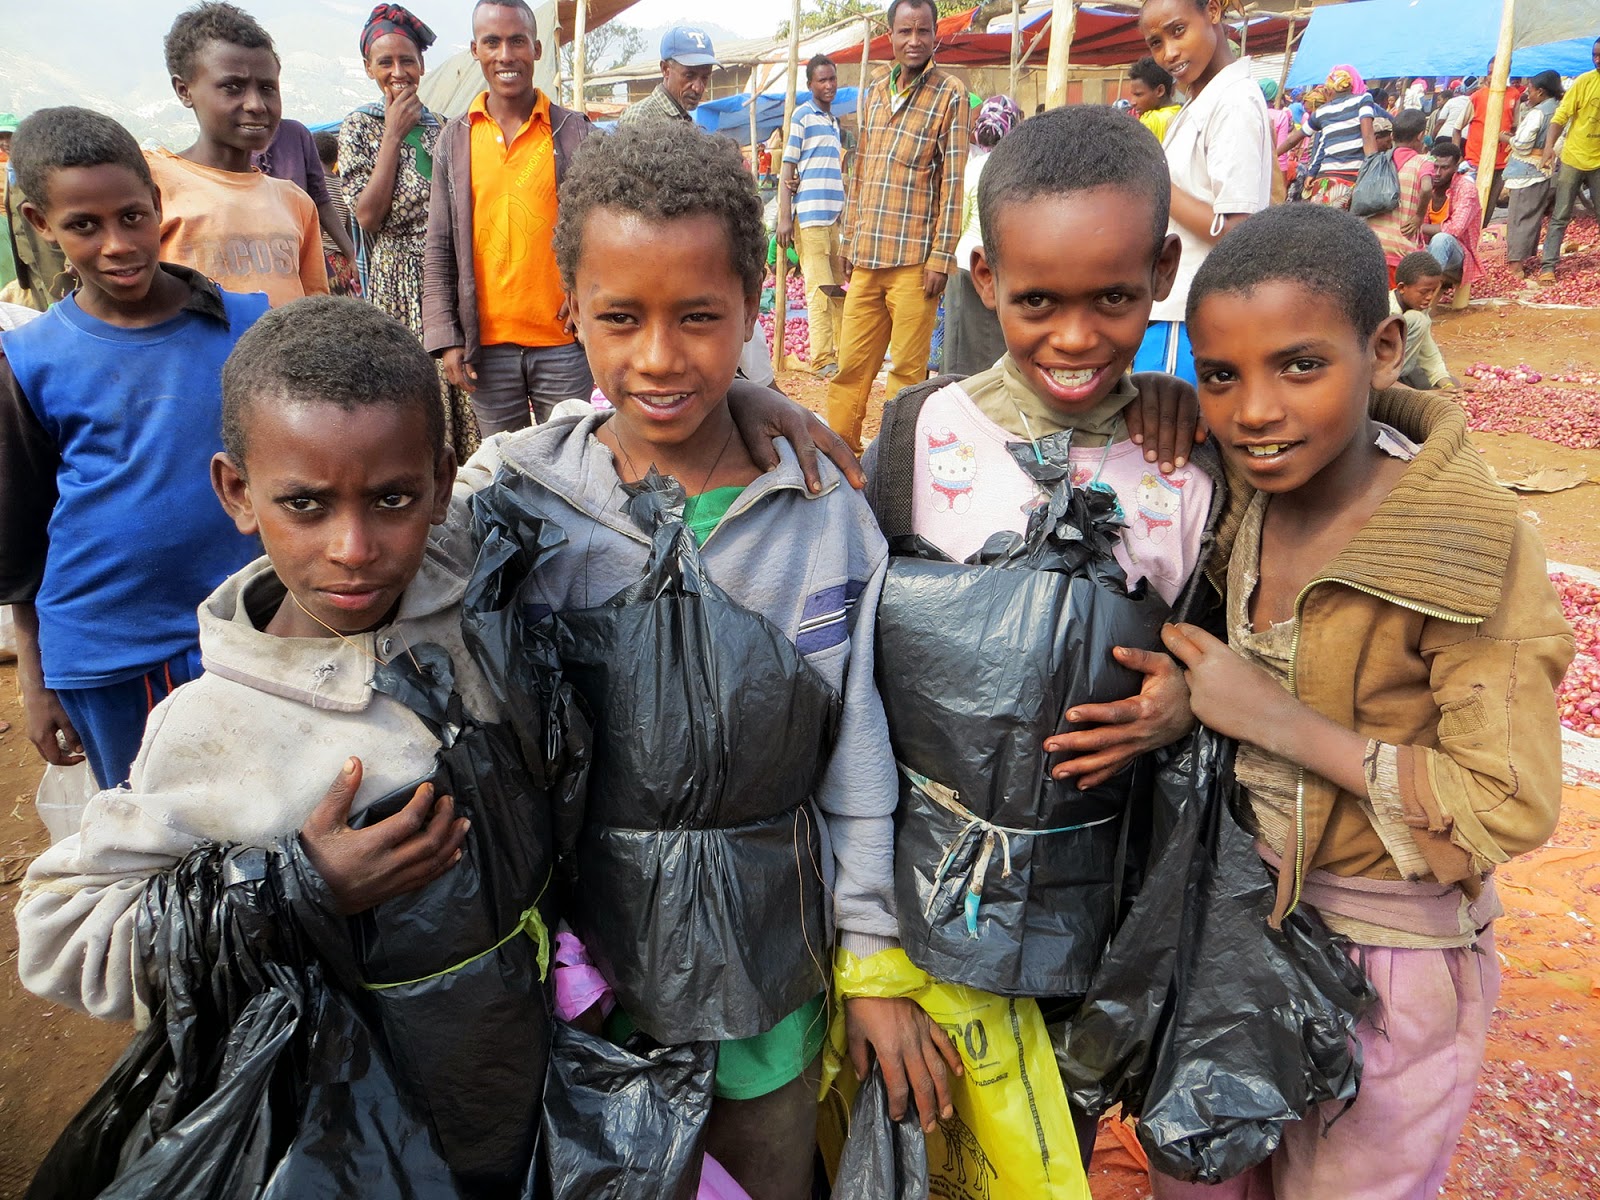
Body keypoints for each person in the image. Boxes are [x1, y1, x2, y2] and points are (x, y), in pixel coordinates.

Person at [461, 119, 952, 1200]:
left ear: (753, 307)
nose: (658, 356)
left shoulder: (820, 514)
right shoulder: (518, 496)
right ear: (570, 311)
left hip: (767, 979)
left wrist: (871, 954)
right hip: (584, 981)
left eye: (698, 317)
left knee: (766, 1170)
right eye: (620, 317)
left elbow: (856, 752)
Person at [1159, 201, 1571, 1200]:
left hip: (1389, 955)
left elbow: (1506, 800)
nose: (1255, 410)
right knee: (1196, 1174)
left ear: (1383, 349)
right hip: (1231, 919)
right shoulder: (1244, 492)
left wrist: (1275, 721)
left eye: (1301, 365)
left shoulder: (1462, 538)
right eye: (1221, 376)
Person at [862, 104, 1219, 1174]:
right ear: (985, 280)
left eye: (1113, 298)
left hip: (1097, 900)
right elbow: (859, 672)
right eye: (1037, 301)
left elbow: (1223, 649)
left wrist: (1185, 702)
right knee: (924, 1141)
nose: (1075, 337)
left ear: (1162, 273)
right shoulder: (919, 435)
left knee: (1055, 1128)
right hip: (925, 891)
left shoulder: (1193, 468)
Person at [16, 299, 480, 1049]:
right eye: (305, 504)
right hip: (348, 1090)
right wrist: (297, 891)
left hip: (505, 1048)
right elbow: (62, 938)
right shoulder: (206, 728)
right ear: (237, 492)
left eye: (392, 499)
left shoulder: (464, 594)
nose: (354, 548)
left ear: (440, 484)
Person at [0, 107, 267, 791]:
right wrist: (35, 673)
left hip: (248, 631)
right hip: (110, 652)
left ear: (157, 202)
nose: (117, 244)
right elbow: (21, 536)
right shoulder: (29, 360)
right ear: (40, 224)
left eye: (131, 216)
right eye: (83, 226)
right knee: (151, 822)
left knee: (263, 807)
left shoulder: (246, 325)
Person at [422, 0, 593, 435]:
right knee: (506, 461)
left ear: (537, 49)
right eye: (492, 42)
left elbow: (604, 230)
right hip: (487, 348)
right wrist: (447, 338)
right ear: (475, 50)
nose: (505, 55)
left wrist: (589, 294)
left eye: (517, 41)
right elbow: (439, 246)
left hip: (564, 342)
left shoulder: (573, 132)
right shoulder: (455, 140)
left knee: (571, 455)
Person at [824, 0, 969, 452]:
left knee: (906, 374)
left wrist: (941, 257)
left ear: (935, 35)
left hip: (914, 263)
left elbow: (953, 183)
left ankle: (891, 464)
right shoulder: (873, 93)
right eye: (905, 31)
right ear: (891, 36)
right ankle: (838, 456)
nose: (914, 41)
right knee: (851, 368)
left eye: (923, 31)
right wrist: (848, 241)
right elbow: (860, 172)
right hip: (868, 257)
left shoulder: (950, 93)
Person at [342, 2, 480, 461]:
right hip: (397, 284)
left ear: (422, 65)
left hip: (446, 277)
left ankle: (461, 487)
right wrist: (392, 135)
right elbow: (367, 216)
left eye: (407, 60)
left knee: (463, 394)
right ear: (369, 68)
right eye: (385, 62)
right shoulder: (361, 127)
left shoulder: (445, 128)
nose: (398, 71)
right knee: (410, 396)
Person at [148, 2, 328, 306]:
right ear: (184, 90)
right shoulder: (152, 185)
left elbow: (314, 309)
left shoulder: (295, 201)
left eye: (268, 88)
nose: (256, 104)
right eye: (232, 87)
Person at [1135, 0, 1274, 384]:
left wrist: (1157, 183)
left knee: (1164, 415)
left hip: (1188, 312)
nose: (1169, 53)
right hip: (1179, 308)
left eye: (1178, 31)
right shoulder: (1204, 100)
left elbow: (1237, 230)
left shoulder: (1233, 102)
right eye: (1156, 43)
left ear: (1212, 11)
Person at [940, 94, 1021, 376]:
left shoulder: (972, 168)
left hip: (966, 264)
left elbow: (958, 220)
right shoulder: (1019, 169)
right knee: (997, 339)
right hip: (1005, 264)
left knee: (961, 341)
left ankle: (959, 393)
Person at [777, 54, 848, 380]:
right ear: (810, 85)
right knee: (820, 291)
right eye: (822, 80)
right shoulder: (802, 116)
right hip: (810, 218)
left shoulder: (833, 123)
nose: (829, 85)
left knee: (837, 291)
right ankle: (821, 360)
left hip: (833, 220)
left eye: (832, 79)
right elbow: (787, 168)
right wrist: (784, 218)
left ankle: (842, 354)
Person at [254, 116, 359, 267]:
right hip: (247, 261)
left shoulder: (296, 134)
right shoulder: (225, 140)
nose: (256, 106)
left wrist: (352, 255)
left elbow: (321, 201)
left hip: (299, 260)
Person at [1539, 38, 1600, 284]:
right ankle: (1548, 266)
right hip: (1574, 158)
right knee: (1561, 214)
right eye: (1594, 55)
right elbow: (1560, 116)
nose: (1597, 59)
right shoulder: (1584, 82)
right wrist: (1548, 148)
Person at [1288, 65, 1379, 210]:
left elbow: (1293, 140)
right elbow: (1368, 136)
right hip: (1353, 176)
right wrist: (1374, 170)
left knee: (1320, 219)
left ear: (1328, 90)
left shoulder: (1322, 111)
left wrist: (1273, 154)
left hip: (1326, 177)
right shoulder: (1363, 99)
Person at [1503, 69, 1563, 273]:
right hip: (1544, 171)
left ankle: (1516, 264)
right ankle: (1523, 258)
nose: (1527, 94)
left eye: (1530, 90)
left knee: (1519, 218)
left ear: (1540, 91)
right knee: (1532, 217)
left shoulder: (1538, 113)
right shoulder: (1557, 108)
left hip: (1527, 172)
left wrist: (1506, 139)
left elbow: (1522, 144)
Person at [1366, 109, 1435, 281]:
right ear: (1421, 136)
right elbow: (1427, 188)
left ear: (1393, 135)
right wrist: (1419, 216)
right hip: (1401, 249)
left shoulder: (1379, 160)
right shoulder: (1423, 161)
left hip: (1372, 244)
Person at [1422, 138, 1484, 308]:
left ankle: (1422, 303)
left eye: (1444, 168)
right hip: (1426, 251)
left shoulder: (1466, 189)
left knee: (1442, 239)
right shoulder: (1426, 185)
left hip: (1458, 257)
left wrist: (1419, 227)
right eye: (1435, 167)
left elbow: (1455, 229)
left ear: (1456, 167)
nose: (1437, 173)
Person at [617, 25, 719, 125]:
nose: (698, 88)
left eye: (705, 77)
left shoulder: (687, 120)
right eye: (689, 76)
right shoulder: (640, 118)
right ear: (665, 69)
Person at [1464, 62, 1522, 227]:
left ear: (1507, 72)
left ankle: (1481, 231)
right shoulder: (1477, 96)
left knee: (1490, 203)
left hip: (1501, 161)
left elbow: (1515, 126)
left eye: (1495, 72)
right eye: (1489, 72)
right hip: (1476, 159)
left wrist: (1507, 139)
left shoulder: (1514, 95)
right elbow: (1457, 127)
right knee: (1471, 202)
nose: (1492, 76)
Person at [1390, 249, 1458, 390]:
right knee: (1416, 319)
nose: (1430, 297)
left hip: (1403, 369)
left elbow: (1429, 354)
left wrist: (1447, 385)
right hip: (1376, 375)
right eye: (1424, 292)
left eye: (1433, 291)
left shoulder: (1420, 310)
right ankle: (1395, 388)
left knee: (1453, 383)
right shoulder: (1386, 311)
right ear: (1402, 288)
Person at [311, 129, 361, 296]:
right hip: (343, 262)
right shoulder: (343, 186)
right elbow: (349, 227)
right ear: (335, 159)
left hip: (322, 261)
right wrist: (353, 257)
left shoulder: (313, 185)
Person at [1129, 55, 1182, 143]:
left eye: (1138, 95)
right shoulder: (1183, 113)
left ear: (1160, 91)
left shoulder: (1150, 121)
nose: (1132, 102)